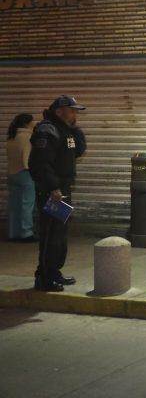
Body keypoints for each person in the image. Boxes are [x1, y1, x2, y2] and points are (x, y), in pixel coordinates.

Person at [29, 95, 87, 292]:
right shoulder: (47, 130)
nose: (74, 113)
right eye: (72, 110)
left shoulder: (65, 130)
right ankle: (44, 278)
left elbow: (79, 150)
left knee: (59, 235)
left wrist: (74, 127)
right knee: (50, 234)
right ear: (59, 111)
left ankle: (54, 272)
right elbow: (40, 162)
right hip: (52, 192)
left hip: (63, 190)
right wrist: (53, 187)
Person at [6, 113, 37, 242]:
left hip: (12, 173)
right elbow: (27, 157)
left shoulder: (12, 137)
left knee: (14, 205)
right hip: (25, 173)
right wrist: (31, 170)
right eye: (33, 121)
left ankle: (13, 233)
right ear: (27, 123)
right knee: (27, 204)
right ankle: (26, 233)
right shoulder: (28, 137)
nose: (34, 123)